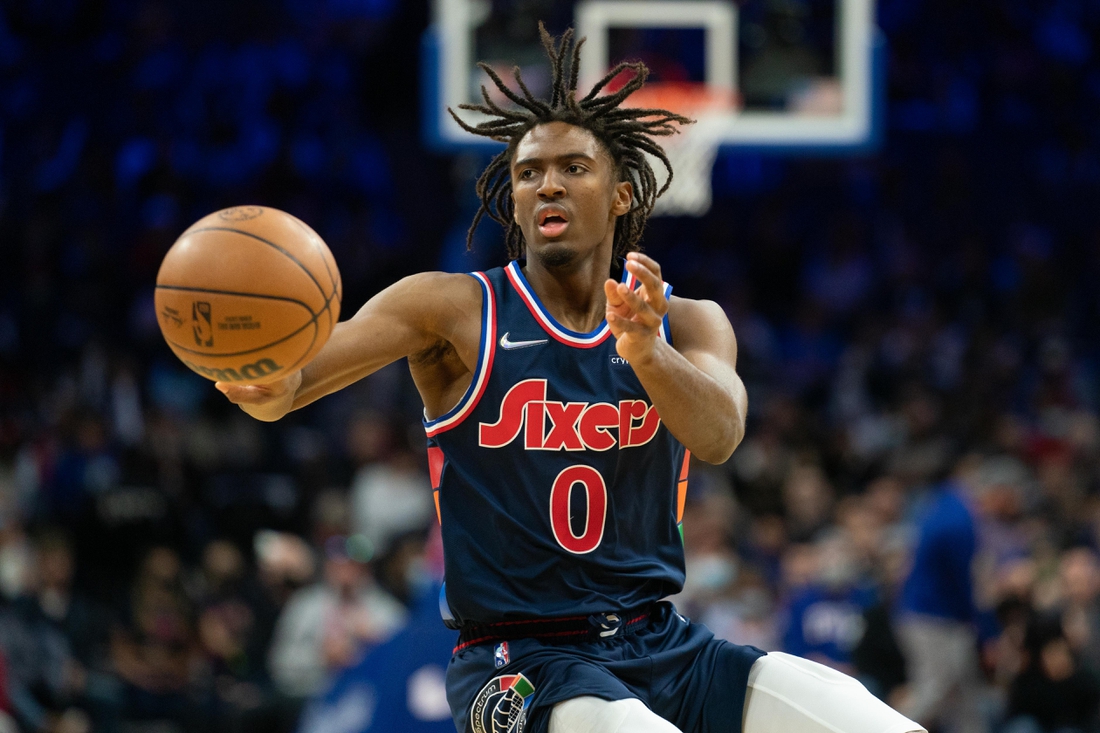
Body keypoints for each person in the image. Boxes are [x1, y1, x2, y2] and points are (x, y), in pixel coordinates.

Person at [217, 25, 924, 733]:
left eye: (573, 168)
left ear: (621, 194)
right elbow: (289, 388)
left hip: (661, 641)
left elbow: (719, 435)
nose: (547, 182)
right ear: (515, 201)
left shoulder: (690, 321)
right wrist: (254, 371)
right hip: (518, 659)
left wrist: (648, 353)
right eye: (528, 172)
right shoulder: (452, 310)